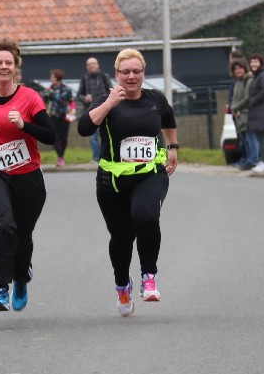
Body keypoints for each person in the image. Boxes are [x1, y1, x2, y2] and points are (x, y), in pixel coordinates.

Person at [78, 48, 179, 316]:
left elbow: (168, 119)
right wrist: (110, 103)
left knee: (146, 216)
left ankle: (149, 277)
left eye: (136, 71)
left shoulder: (155, 99)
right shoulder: (106, 99)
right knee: (121, 238)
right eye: (126, 72)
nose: (131, 76)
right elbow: (84, 128)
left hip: (150, 173)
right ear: (117, 74)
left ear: (143, 73)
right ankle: (122, 284)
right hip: (111, 180)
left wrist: (173, 147)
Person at [0, 38, 54, 312]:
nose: (4, 66)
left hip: (28, 175)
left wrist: (24, 125)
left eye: (8, 62)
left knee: (23, 233)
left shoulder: (29, 97)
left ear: (15, 66)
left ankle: (21, 277)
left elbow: (50, 135)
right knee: (4, 224)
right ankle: (0, 287)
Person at [77, 57, 112, 160]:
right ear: (87, 67)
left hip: (105, 110)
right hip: (90, 111)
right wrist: (85, 98)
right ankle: (96, 158)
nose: (91, 65)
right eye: (89, 64)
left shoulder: (104, 76)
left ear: (98, 65)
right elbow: (79, 94)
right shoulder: (84, 78)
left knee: (106, 134)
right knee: (93, 136)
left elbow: (111, 91)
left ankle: (106, 156)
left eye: (93, 63)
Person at [229, 58, 256, 170]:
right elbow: (235, 98)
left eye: (240, 68)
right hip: (239, 115)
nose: (238, 71)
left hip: (246, 114)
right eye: (235, 69)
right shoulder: (238, 81)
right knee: (244, 138)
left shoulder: (248, 80)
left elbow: (246, 98)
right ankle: (248, 159)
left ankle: (253, 160)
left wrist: (235, 107)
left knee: (250, 138)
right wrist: (234, 109)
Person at [247, 54, 264, 172]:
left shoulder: (263, 75)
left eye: (256, 61)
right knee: (260, 136)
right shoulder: (257, 76)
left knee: (262, 137)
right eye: (252, 62)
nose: (253, 64)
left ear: (261, 63)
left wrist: (252, 101)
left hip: (261, 111)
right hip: (257, 111)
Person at [43, 69, 74, 166]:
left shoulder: (67, 89)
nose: (51, 79)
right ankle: (60, 156)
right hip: (52, 116)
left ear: (58, 78)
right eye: (51, 77)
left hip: (64, 116)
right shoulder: (48, 90)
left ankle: (62, 155)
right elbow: (42, 101)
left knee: (63, 137)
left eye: (53, 77)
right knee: (55, 137)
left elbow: (71, 101)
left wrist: (73, 109)